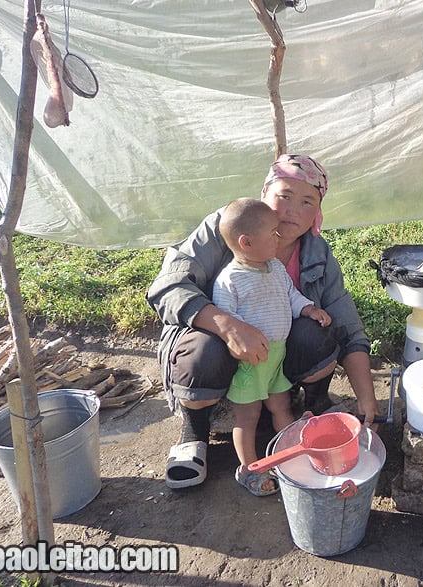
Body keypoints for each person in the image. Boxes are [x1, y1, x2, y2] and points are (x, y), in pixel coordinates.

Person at [147, 154, 379, 490]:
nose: (292, 211)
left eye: (307, 202)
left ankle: (312, 407)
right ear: (265, 192)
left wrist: (367, 402)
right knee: (203, 351)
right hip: (218, 346)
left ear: (318, 211)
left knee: (317, 332)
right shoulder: (225, 226)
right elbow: (168, 286)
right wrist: (227, 325)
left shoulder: (316, 254)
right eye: (283, 196)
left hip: (272, 360)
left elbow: (348, 326)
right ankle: (195, 431)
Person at [213, 198, 332, 496]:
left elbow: (291, 296)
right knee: (248, 416)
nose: (279, 239)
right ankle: (250, 468)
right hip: (250, 364)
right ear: (247, 242)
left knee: (281, 406)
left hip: (277, 356)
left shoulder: (275, 267)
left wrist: (307, 310)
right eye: (273, 234)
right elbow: (227, 320)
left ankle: (292, 454)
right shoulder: (231, 279)